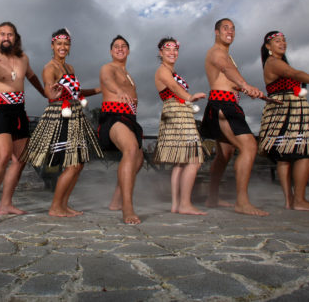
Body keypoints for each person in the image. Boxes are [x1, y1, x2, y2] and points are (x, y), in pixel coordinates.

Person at [21, 28, 102, 217]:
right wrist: (51, 92)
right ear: (52, 45)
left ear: (70, 46)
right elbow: (48, 89)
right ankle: (55, 206)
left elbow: (77, 93)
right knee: (72, 164)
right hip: (60, 116)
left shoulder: (70, 68)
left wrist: (99, 89)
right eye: (59, 44)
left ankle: (64, 205)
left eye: (66, 44)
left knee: (78, 163)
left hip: (75, 116)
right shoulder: (50, 67)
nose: (63, 47)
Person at [0, 22, 47, 224]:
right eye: (2, 34)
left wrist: (45, 94)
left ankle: (6, 204)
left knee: (21, 158)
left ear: (16, 38)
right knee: (3, 155)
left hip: (18, 110)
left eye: (10, 34)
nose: (6, 37)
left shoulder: (23, 58)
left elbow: (31, 76)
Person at [258, 31, 309, 210]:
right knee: (303, 153)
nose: (283, 43)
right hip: (287, 112)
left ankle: (290, 201)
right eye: (277, 41)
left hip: (284, 111)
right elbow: (294, 73)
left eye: (284, 40)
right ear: (268, 47)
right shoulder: (274, 63)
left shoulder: (275, 63)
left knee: (284, 156)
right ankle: (299, 200)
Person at [201, 18, 269, 216]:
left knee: (225, 154)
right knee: (249, 146)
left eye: (233, 28)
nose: (230, 31)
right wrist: (246, 84)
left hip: (224, 103)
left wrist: (247, 90)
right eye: (225, 28)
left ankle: (212, 197)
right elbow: (226, 69)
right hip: (223, 104)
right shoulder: (217, 52)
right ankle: (242, 202)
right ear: (216, 32)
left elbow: (228, 79)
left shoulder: (226, 54)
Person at [153, 37, 208, 215]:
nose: (172, 52)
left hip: (178, 112)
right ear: (160, 53)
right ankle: (185, 203)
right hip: (176, 112)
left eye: (175, 49)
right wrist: (189, 97)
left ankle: (177, 204)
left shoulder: (170, 71)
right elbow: (172, 87)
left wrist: (187, 100)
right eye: (167, 49)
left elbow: (175, 86)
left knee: (181, 161)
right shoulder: (162, 71)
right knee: (194, 159)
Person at [98, 35, 144, 224]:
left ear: (128, 50)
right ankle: (127, 207)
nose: (120, 48)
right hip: (113, 117)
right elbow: (108, 81)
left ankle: (116, 200)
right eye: (116, 46)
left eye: (124, 46)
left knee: (138, 159)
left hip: (131, 118)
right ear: (111, 51)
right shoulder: (108, 68)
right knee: (131, 149)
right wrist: (119, 91)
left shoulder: (129, 75)